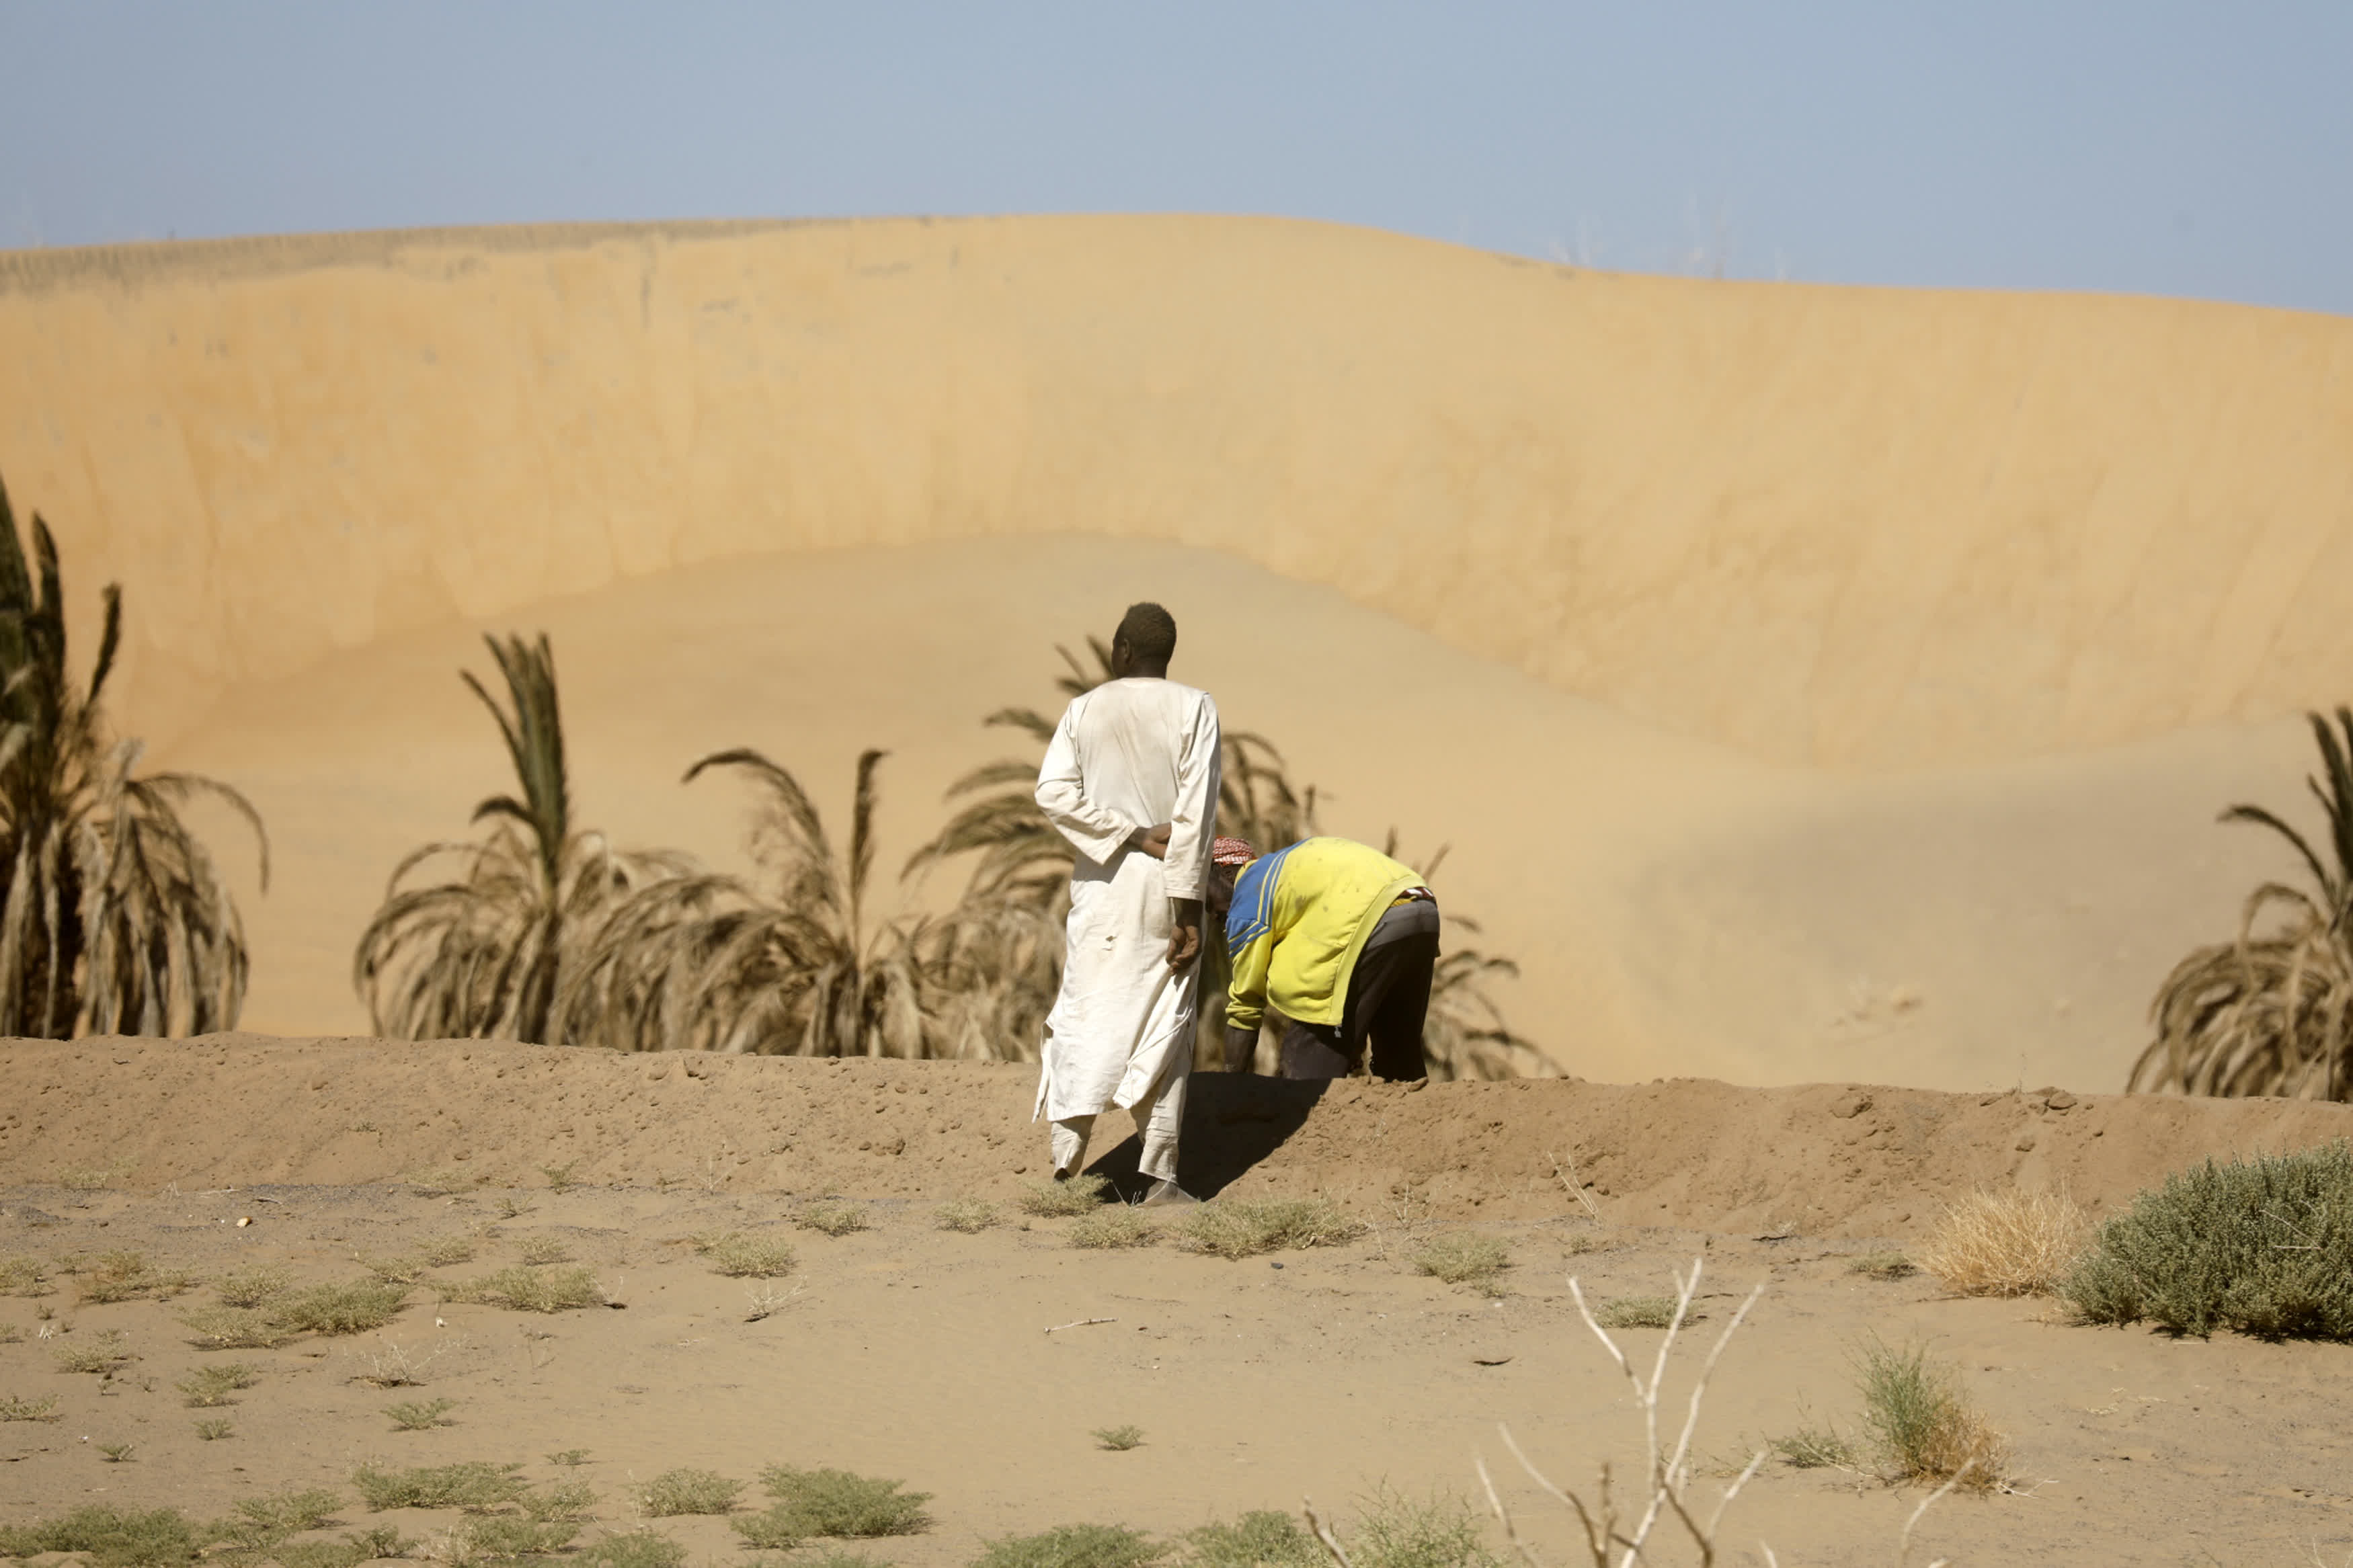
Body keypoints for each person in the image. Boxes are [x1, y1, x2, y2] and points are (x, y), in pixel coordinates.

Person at [1030, 602, 1221, 1204]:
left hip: (1103, 889)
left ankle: (1066, 1167)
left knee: (1086, 1014)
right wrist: (1188, 906)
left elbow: (1052, 792)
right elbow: (1196, 814)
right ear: (1166, 655)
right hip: (1168, 887)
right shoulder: (1195, 707)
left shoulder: (1083, 710)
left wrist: (1127, 834)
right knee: (1168, 1023)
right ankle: (1160, 1177)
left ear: (1121, 651)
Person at [1212, 836, 1439, 1081]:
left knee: (1305, 1062)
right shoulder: (1281, 870)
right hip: (1421, 905)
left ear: (1222, 872)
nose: (1211, 914)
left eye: (1205, 897)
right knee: (1398, 1057)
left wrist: (1228, 1087)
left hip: (1375, 917)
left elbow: (1245, 1006)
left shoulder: (1247, 898)